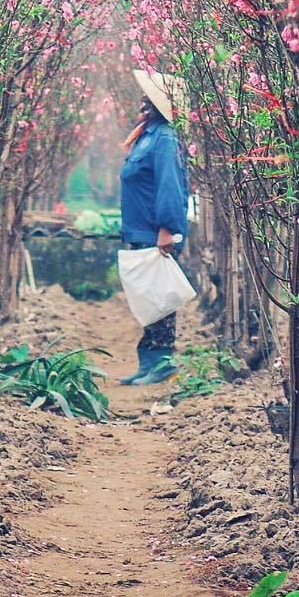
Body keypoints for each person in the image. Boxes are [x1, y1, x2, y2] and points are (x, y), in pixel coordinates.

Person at [117, 69, 190, 385]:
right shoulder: (147, 135)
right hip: (142, 231)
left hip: (155, 233)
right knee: (148, 300)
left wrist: (167, 228)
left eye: (149, 99)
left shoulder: (164, 138)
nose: (143, 102)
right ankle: (148, 363)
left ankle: (162, 362)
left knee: (159, 300)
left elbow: (169, 185)